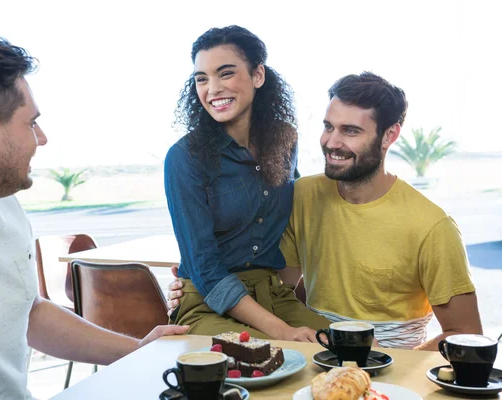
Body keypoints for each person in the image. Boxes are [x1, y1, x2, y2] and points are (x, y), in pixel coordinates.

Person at [0, 37, 188, 399]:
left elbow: (27, 312)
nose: (42, 138)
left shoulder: (3, 203)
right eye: (31, 123)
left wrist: (139, 351)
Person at [168, 72, 483, 351]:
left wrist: (394, 368)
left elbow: (466, 335)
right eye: (328, 126)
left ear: (389, 135)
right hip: (315, 350)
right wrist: (197, 283)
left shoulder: (432, 226)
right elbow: (277, 284)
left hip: (392, 367)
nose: (332, 141)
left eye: (350, 131)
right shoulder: (303, 196)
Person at [164, 25, 329, 342]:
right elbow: (205, 268)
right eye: (201, 79)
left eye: (225, 74)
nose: (211, 89)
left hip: (275, 297)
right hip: (208, 304)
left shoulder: (285, 140)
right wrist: (283, 332)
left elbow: (287, 223)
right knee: (265, 355)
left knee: (345, 348)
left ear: (258, 76)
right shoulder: (184, 158)